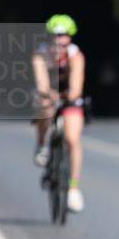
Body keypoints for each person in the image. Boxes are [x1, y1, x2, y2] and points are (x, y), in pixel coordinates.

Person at [32, 15, 86, 213]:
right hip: (48, 94)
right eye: (54, 36)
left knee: (72, 139)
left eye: (63, 35)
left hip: (70, 95)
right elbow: (41, 83)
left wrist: (66, 96)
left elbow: (75, 88)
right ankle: (40, 146)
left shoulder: (75, 55)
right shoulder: (40, 55)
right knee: (44, 105)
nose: (59, 40)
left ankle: (73, 188)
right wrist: (49, 95)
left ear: (69, 38)